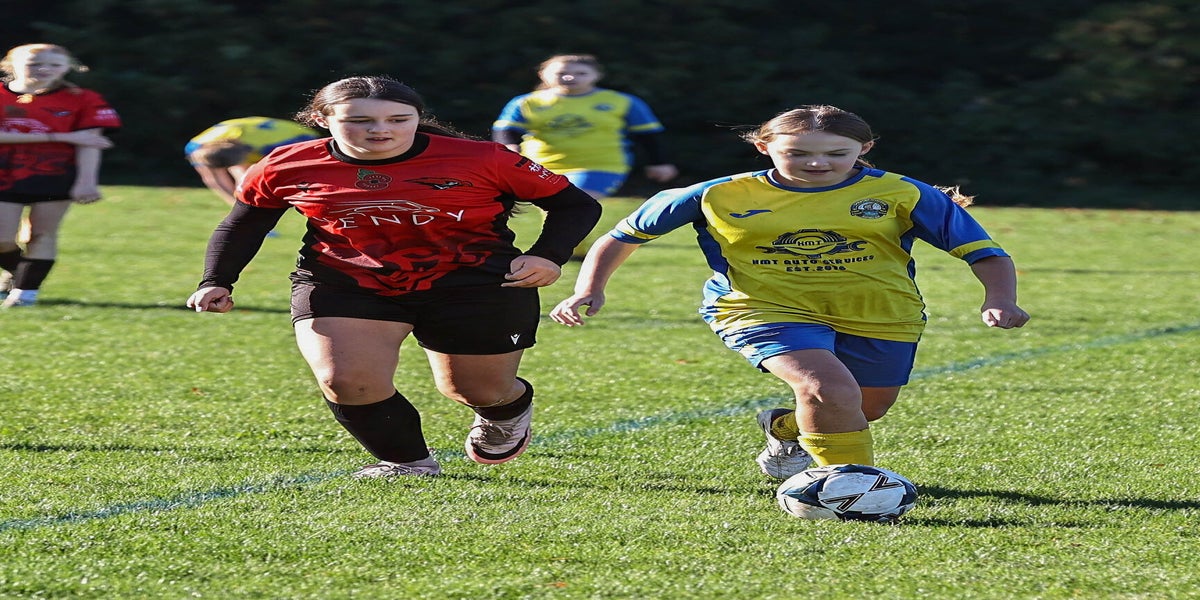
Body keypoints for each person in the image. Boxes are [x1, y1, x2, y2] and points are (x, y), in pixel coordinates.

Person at [550, 105, 1029, 480]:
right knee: (826, 389)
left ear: (864, 148)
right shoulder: (717, 194)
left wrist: (999, 298)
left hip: (881, 312)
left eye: (836, 153)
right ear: (764, 147)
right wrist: (588, 289)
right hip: (759, 307)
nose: (817, 162)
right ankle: (849, 485)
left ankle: (784, 428)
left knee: (866, 408)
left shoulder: (903, 193)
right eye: (797, 153)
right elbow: (622, 237)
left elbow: (984, 252)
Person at [186, 76, 602, 478]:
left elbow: (576, 205)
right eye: (359, 120)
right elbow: (243, 224)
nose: (380, 130)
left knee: (477, 390)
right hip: (345, 280)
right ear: (322, 119)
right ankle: (406, 462)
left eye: (398, 119)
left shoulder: (483, 158)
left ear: (418, 117)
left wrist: (548, 256)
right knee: (345, 380)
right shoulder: (286, 164)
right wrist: (216, 279)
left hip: (475, 284)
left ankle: (505, 410)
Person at [0, 43, 120, 308]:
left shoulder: (84, 99)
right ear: (11, 65)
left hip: (55, 176)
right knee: (2, 239)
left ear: (67, 68)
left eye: (54, 65)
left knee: (42, 234)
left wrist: (86, 182)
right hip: (3, 176)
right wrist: (61, 136)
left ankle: (25, 294)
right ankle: (19, 271)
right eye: (35, 64)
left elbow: (90, 142)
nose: (45, 69)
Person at [492, 54, 678, 200]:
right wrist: (509, 149)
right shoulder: (526, 102)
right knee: (558, 208)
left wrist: (659, 162)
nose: (570, 77)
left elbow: (648, 134)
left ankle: (569, 239)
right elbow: (506, 130)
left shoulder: (621, 101)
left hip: (600, 164)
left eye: (581, 73)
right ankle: (569, 240)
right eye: (560, 73)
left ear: (597, 75)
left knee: (575, 200)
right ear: (542, 74)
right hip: (540, 165)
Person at [185, 117, 320, 206]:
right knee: (242, 175)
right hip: (248, 138)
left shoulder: (268, 145)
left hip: (298, 136)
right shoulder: (195, 147)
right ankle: (245, 208)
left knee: (250, 176)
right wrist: (235, 206)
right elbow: (212, 178)